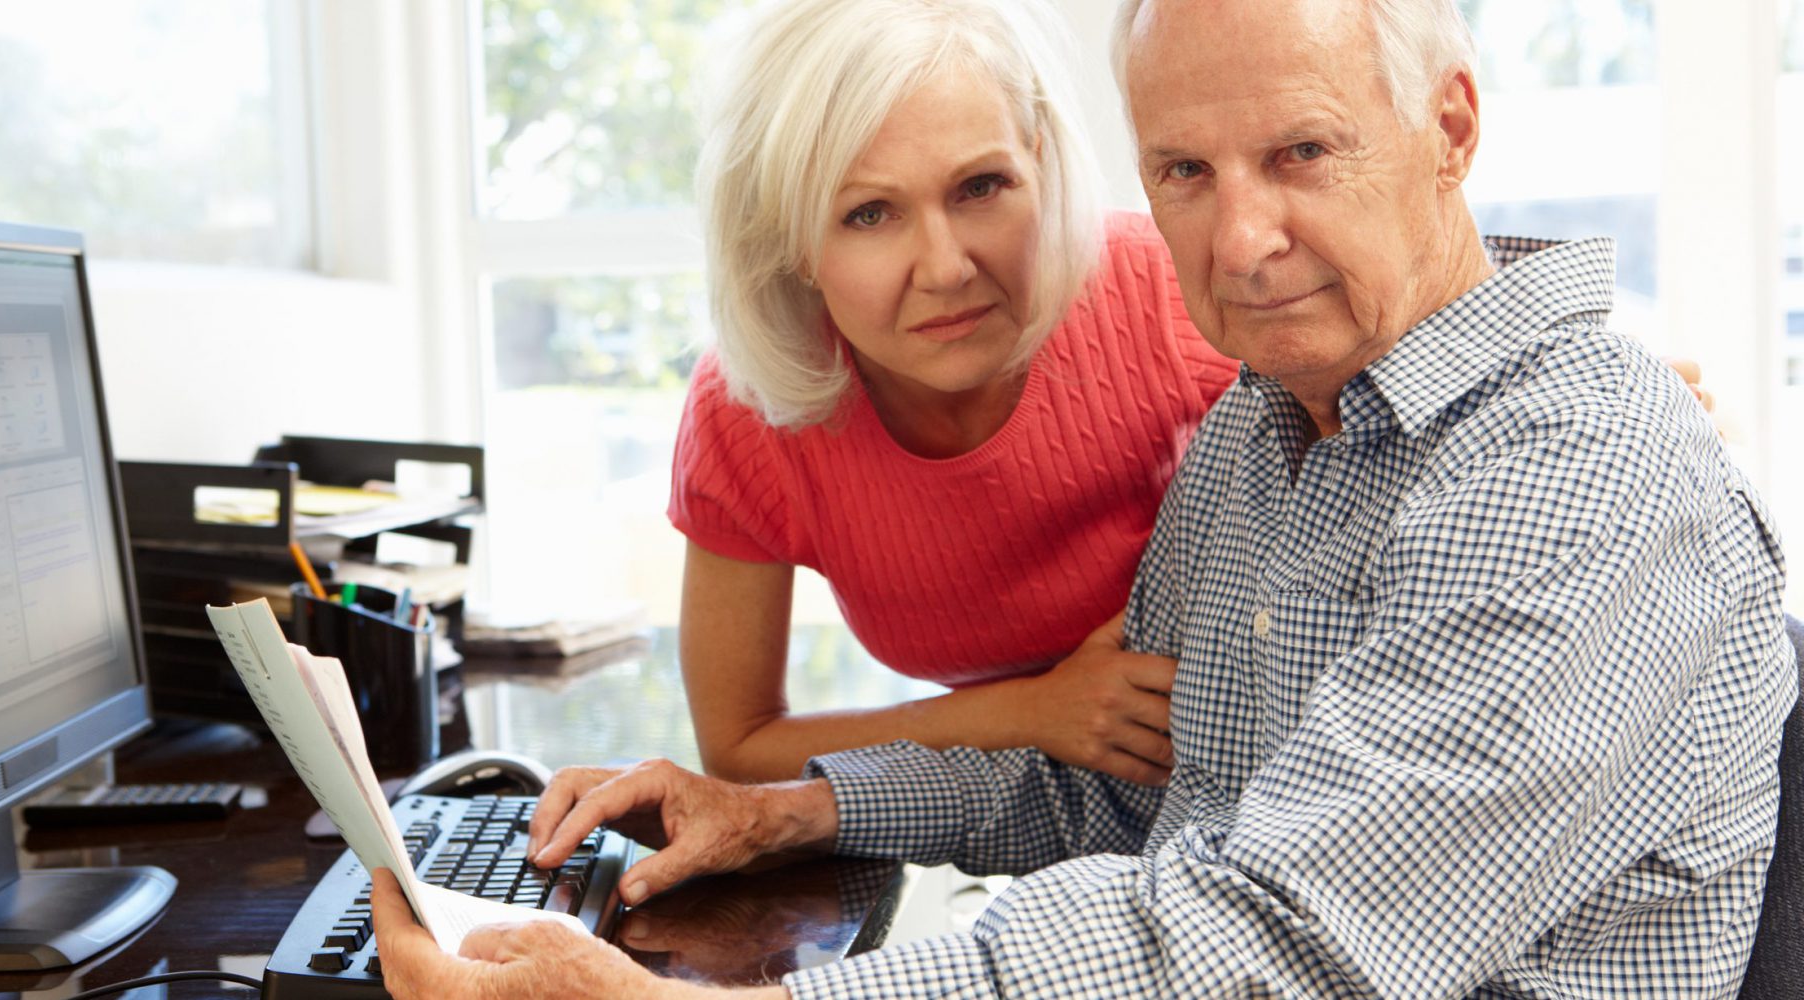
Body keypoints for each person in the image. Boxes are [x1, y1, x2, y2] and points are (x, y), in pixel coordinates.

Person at [371, 0, 1793, 994]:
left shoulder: (1573, 468)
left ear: (1452, 126)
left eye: (1300, 152)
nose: (1240, 239)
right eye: (1184, 170)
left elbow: (1279, 945)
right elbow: (1125, 785)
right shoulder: (1261, 430)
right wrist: (785, 816)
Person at [669, 0, 1237, 785]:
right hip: (1014, 820)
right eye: (868, 213)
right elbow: (737, 747)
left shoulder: (1181, 302)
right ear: (792, 241)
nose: (945, 268)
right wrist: (1029, 712)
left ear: (1039, 162)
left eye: (980, 187)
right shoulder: (749, 412)